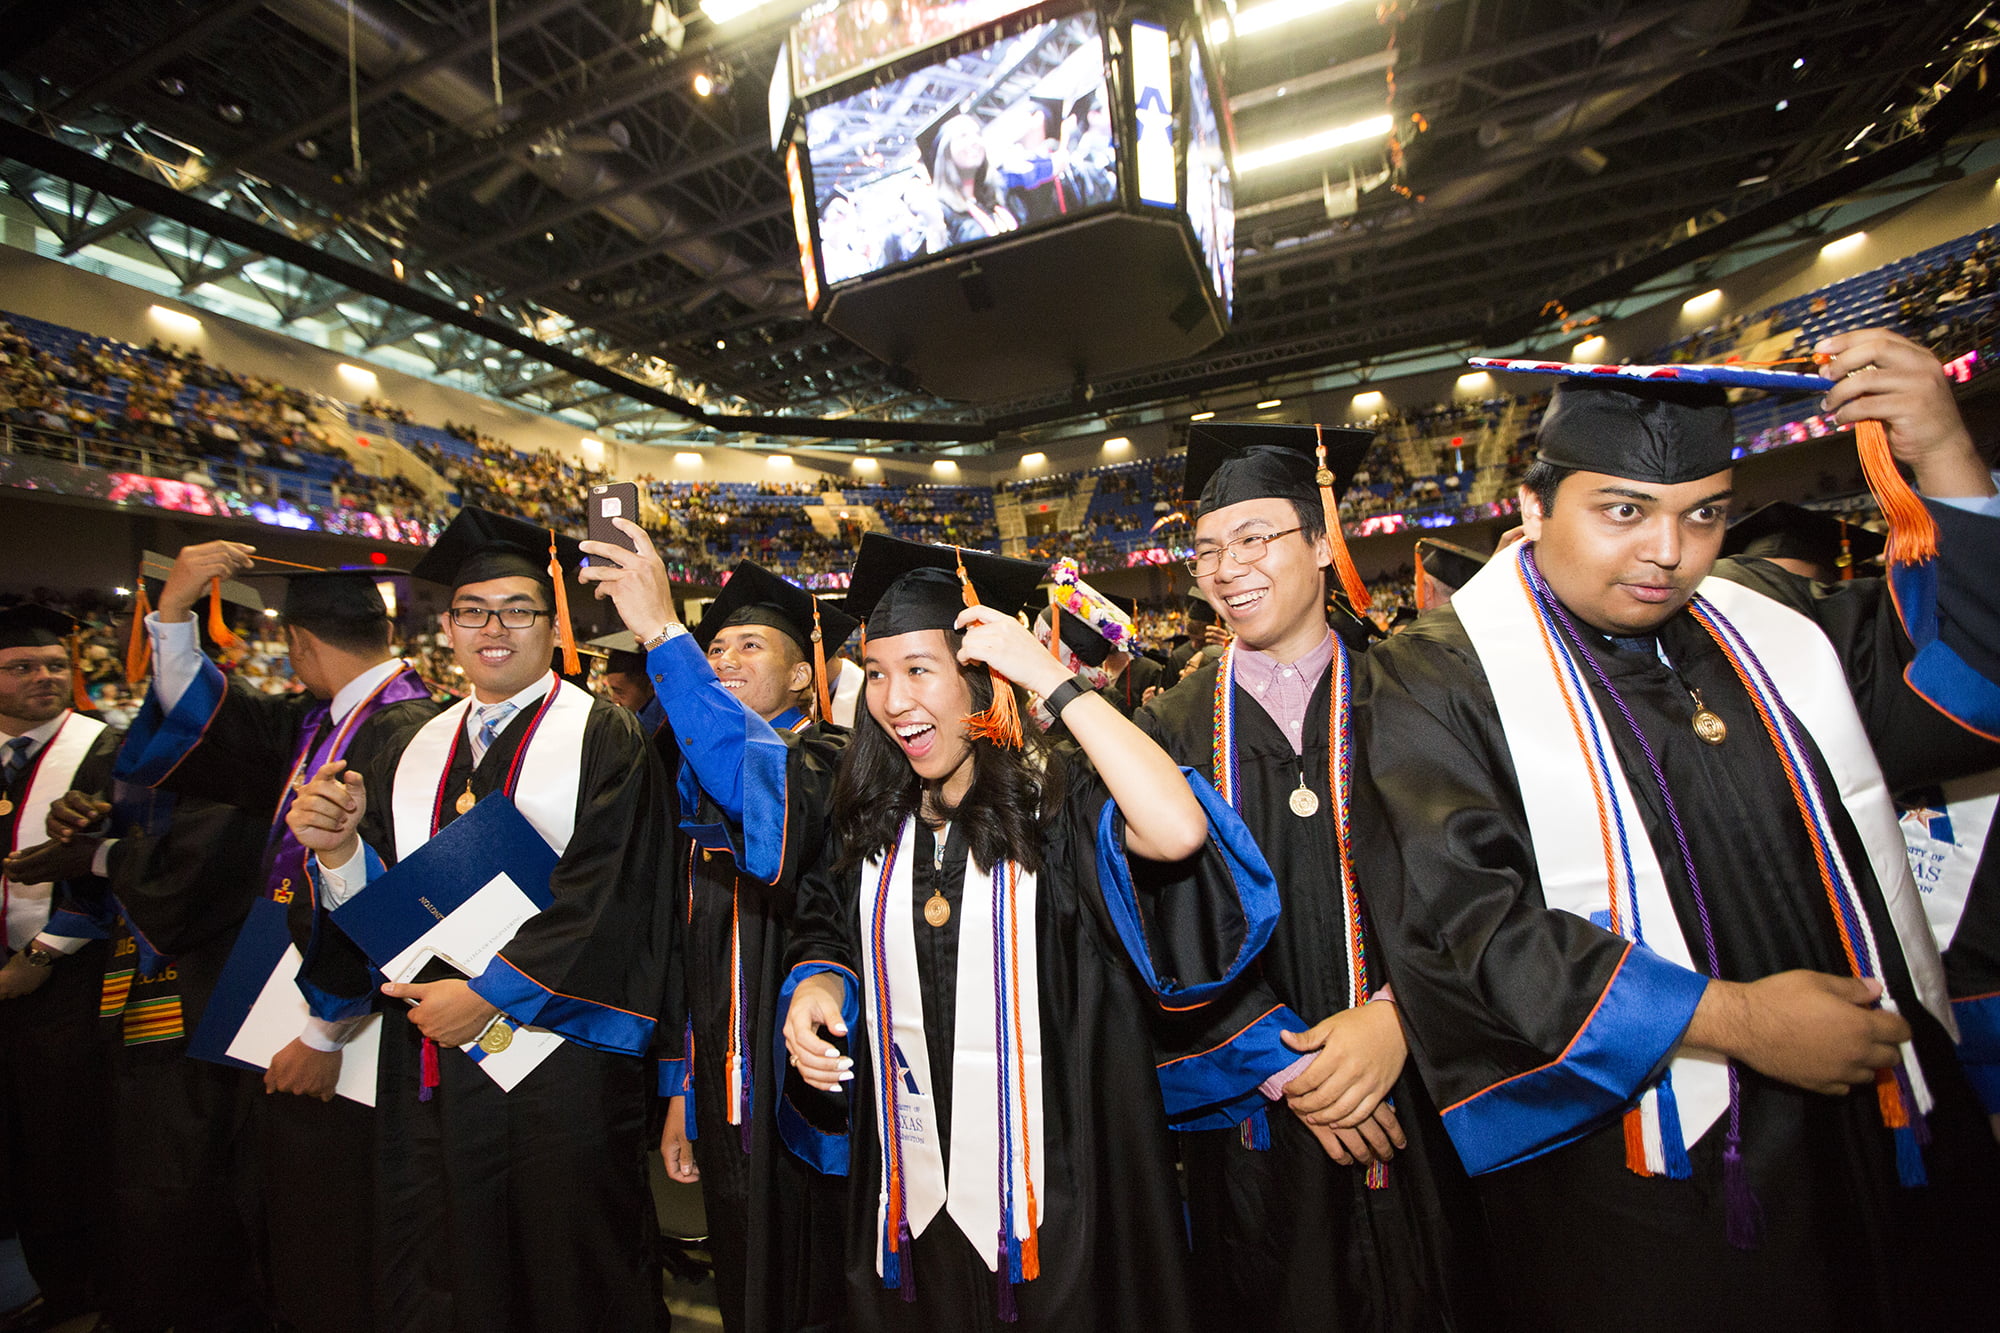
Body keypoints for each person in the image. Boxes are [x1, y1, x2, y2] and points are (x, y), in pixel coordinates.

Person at [1359, 330, 2000, 1330]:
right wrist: (1742, 1023)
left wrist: (1948, 456)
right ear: (1531, 507)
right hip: (1661, 1172)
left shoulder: (1772, 617)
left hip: (1873, 1113)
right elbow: (1468, 925)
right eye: (1623, 510)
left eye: (1703, 513)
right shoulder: (1436, 677)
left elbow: (1969, 689)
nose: (1668, 550)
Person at [781, 535, 1273, 1332]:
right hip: (911, 1198)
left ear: (982, 677)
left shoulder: (1059, 804)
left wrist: (1050, 677)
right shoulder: (872, 817)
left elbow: (1178, 830)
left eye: (919, 669)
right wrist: (817, 981)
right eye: (876, 672)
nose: (893, 699)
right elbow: (825, 926)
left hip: (1058, 1197)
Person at [1130, 424, 1482, 1330]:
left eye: (1255, 537)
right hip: (1256, 1125)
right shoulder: (1167, 730)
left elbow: (1482, 881)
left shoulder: (1412, 694)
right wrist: (1285, 1065)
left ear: (1323, 542)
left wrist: (1401, 1016)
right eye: (1208, 548)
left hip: (1425, 1097)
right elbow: (1145, 925)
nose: (1226, 568)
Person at [285, 507, 672, 1333]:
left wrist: (490, 992)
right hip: (428, 1059)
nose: (493, 628)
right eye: (473, 611)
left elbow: (615, 892)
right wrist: (338, 851)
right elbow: (377, 911)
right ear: (448, 628)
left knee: (569, 1270)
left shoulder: (604, 736)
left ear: (554, 624)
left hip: (557, 1065)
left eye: (517, 610)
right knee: (443, 1266)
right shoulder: (405, 742)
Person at [115, 547, 436, 1333]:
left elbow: (396, 904)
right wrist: (173, 615)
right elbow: (212, 720)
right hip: (284, 996)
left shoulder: (405, 730)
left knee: (337, 1213)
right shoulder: (321, 720)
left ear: (298, 641)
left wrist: (327, 1028)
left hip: (352, 1028)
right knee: (292, 1197)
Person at [580, 538, 857, 1333]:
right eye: (717, 645)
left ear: (803, 674)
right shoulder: (691, 779)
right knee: (745, 1283)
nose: (726, 656)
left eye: (750, 644)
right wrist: (680, 1095)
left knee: (815, 1287)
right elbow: (682, 951)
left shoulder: (828, 761)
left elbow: (750, 774)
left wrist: (665, 633)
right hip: (721, 1090)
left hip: (804, 1087)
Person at [43, 780, 270, 1333]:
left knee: (194, 1176)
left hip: (210, 994)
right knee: (138, 1166)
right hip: (135, 991)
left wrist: (99, 855)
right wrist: (88, 827)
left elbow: (191, 878)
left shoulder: (231, 765)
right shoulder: (138, 756)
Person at [0, 605, 120, 1330]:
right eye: (22, 667)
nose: (44, 676)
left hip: (67, 980)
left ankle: (83, 1294)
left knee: (62, 1143)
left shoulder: (101, 747)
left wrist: (44, 952)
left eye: (54, 664)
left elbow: (112, 866)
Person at [931, 114, 1015, 245]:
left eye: (977, 134)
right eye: (963, 135)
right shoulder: (940, 210)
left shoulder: (998, 193)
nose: (974, 141)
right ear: (946, 151)